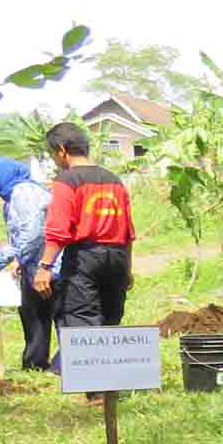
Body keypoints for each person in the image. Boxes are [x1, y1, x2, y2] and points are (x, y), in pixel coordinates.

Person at [35, 123, 135, 350]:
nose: (54, 159)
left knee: (81, 319)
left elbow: (58, 230)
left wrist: (44, 267)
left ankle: (94, 382)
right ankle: (111, 380)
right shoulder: (115, 180)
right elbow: (128, 232)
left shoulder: (66, 181)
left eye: (53, 154)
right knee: (110, 319)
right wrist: (127, 268)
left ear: (61, 150)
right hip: (117, 257)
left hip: (84, 258)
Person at [0, 157, 56, 371]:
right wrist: (21, 258)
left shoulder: (24, 193)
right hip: (33, 263)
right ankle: (35, 364)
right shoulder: (15, 195)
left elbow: (32, 234)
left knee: (54, 314)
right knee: (32, 312)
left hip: (49, 265)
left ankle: (64, 365)